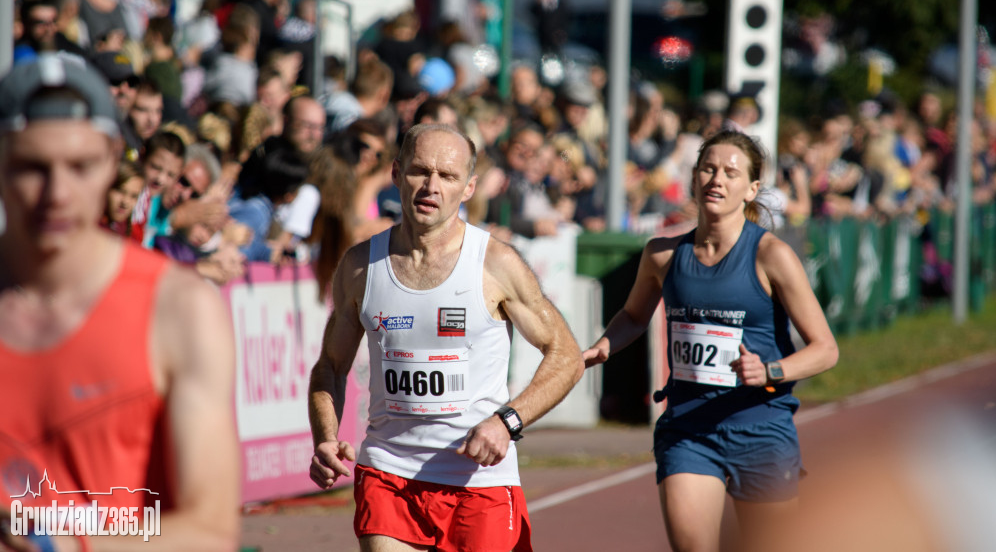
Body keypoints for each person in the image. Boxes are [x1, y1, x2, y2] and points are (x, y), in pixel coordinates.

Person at [0, 54, 239, 549]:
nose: (57, 193)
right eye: (31, 168)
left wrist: (60, 544)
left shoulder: (180, 308)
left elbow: (212, 532)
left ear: (113, 161)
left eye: (81, 166)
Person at [308, 123, 583, 552]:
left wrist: (507, 423)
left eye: (448, 176)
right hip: (389, 472)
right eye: (420, 171)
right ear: (397, 173)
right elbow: (330, 366)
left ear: (469, 187)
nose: (431, 186)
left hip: (478, 480)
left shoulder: (495, 263)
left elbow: (566, 356)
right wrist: (324, 436)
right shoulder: (361, 266)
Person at [583, 129, 839, 552]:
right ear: (694, 178)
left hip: (760, 428)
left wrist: (771, 370)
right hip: (688, 429)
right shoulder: (662, 254)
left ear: (752, 188)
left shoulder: (771, 255)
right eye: (708, 168)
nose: (717, 179)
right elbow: (632, 315)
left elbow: (825, 349)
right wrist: (606, 344)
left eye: (731, 173)